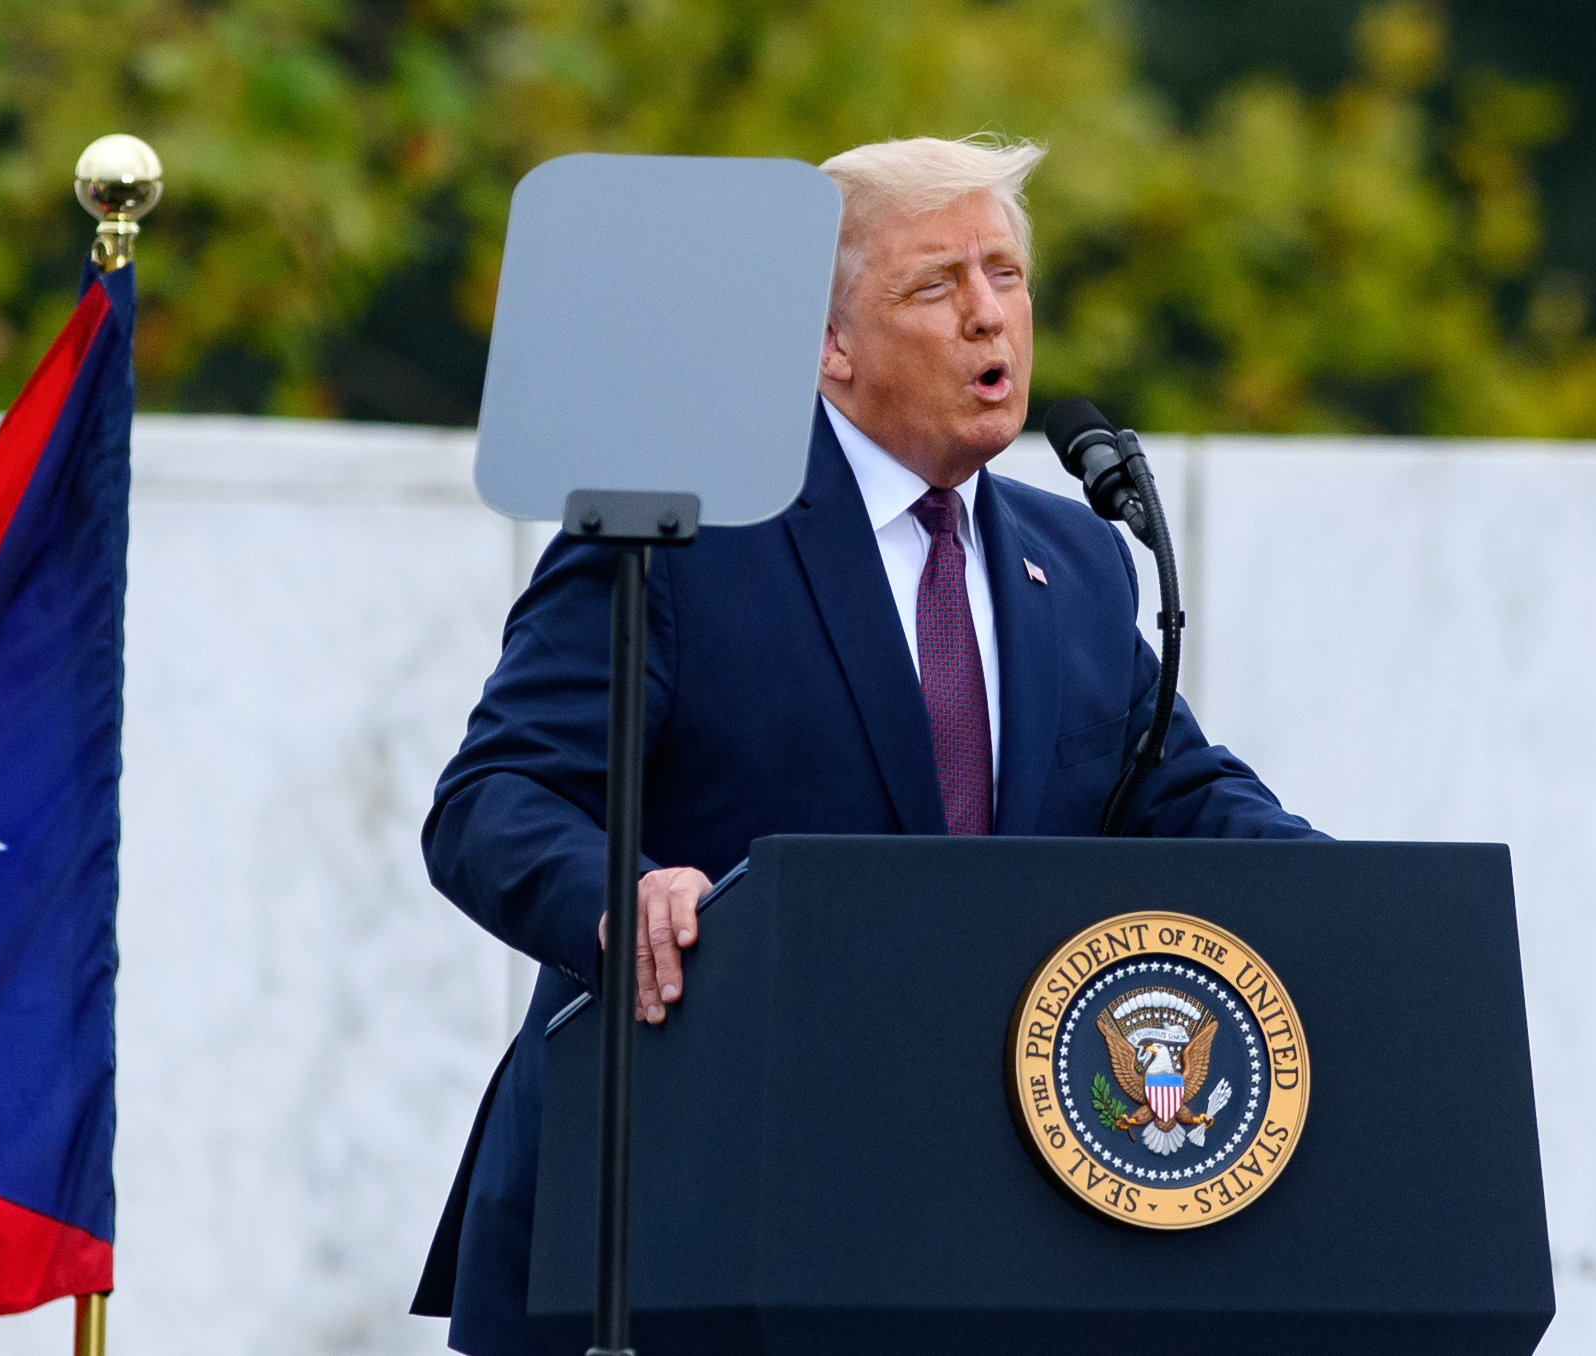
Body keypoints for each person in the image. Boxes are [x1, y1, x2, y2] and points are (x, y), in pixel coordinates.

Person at [411, 135, 1322, 1356]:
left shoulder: (1077, 561)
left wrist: (1336, 897)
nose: (988, 316)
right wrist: (616, 897)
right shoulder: (680, 531)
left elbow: (1174, 785)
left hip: (964, 1228)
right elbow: (494, 797)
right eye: (934, 286)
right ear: (826, 345)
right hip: (680, 1217)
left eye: (1005, 274)